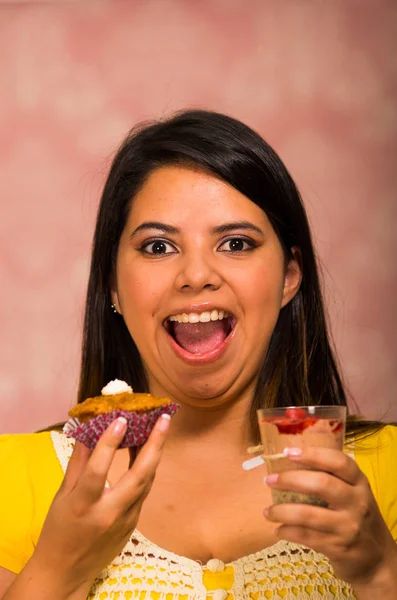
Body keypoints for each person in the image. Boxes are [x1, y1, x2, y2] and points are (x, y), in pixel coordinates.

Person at [0, 109, 396, 600]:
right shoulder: (11, 479)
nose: (196, 275)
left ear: (289, 277)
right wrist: (59, 570)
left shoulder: (387, 469)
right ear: (113, 285)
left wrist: (381, 572)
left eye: (234, 243)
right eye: (159, 247)